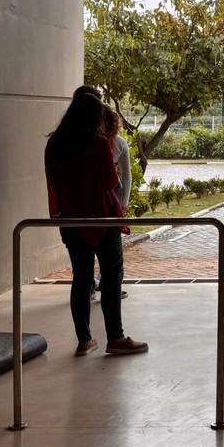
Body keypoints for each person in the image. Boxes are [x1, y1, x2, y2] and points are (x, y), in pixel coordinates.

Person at [45, 93, 148, 356]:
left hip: (71, 219)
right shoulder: (98, 144)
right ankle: (115, 336)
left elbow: (54, 183)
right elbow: (111, 182)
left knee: (81, 277)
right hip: (102, 218)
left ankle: (84, 339)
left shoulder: (54, 144)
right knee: (112, 275)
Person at [93, 106, 131, 301]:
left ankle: (93, 284)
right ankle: (112, 285)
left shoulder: (90, 143)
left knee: (90, 241)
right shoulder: (118, 144)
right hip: (113, 195)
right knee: (113, 246)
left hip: (92, 196)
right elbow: (126, 177)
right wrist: (123, 202)